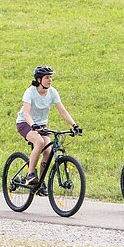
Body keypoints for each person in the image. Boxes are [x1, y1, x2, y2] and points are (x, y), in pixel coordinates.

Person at [16, 65, 81, 195]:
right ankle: (30, 174)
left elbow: (62, 110)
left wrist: (74, 125)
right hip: (25, 123)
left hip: (41, 125)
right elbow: (27, 113)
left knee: (48, 150)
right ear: (39, 80)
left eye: (51, 77)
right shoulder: (30, 92)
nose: (50, 80)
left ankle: (40, 183)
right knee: (39, 142)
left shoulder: (52, 92)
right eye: (47, 77)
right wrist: (33, 125)